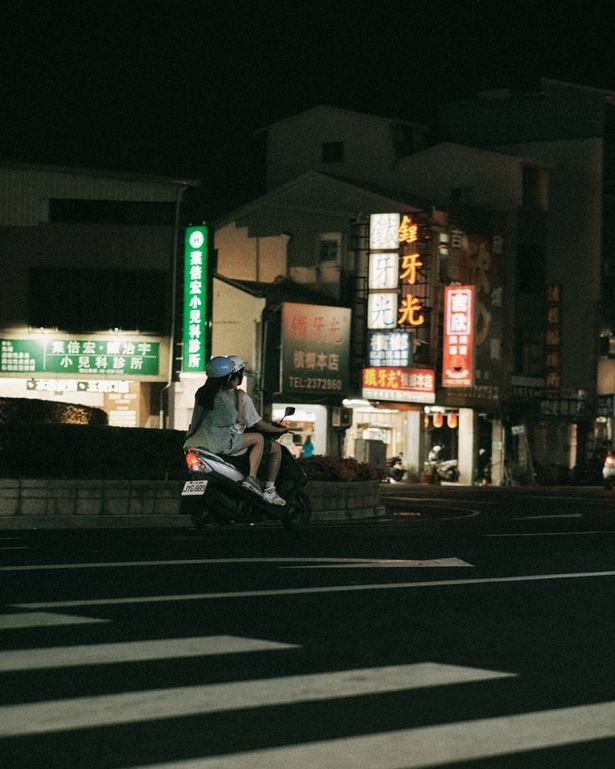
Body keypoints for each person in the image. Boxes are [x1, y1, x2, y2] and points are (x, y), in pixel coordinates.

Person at [183, 356, 264, 497]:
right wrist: (239, 398)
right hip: (217, 442)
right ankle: (252, 478)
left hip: (193, 442)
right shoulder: (224, 398)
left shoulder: (201, 392)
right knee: (258, 438)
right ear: (227, 378)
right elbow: (235, 419)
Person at [226, 355, 287, 506]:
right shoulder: (240, 397)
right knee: (274, 447)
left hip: (209, 442)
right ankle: (268, 489)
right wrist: (277, 429)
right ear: (239, 374)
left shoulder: (210, 395)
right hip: (230, 444)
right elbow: (258, 424)